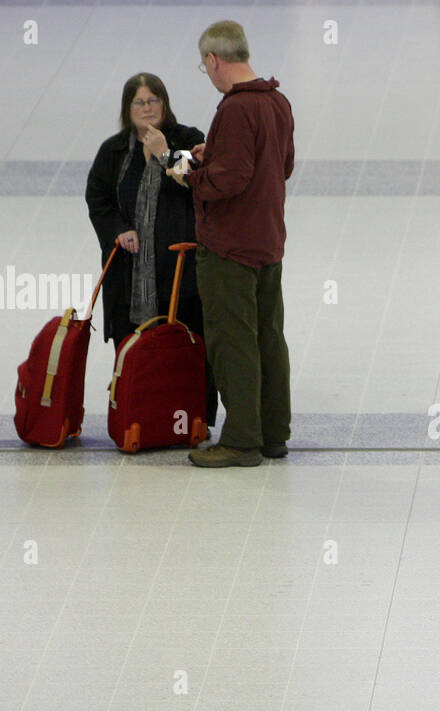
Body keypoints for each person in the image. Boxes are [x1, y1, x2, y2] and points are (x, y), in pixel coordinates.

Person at [168, 20, 294, 468]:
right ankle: (274, 433)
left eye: (206, 68)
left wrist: (189, 174)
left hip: (230, 249)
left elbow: (231, 180)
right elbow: (283, 165)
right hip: (268, 242)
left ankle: (241, 441)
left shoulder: (235, 110)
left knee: (233, 341)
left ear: (213, 59)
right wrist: (215, 155)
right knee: (268, 339)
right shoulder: (277, 102)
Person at [86, 72, 218, 427]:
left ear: (165, 103)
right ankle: (140, 419)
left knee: (188, 345)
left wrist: (165, 153)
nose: (147, 108)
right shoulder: (114, 151)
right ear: (128, 109)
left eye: (153, 100)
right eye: (139, 102)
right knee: (135, 347)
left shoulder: (190, 140)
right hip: (131, 278)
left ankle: (195, 419)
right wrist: (118, 229)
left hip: (180, 271)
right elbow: (97, 198)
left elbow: (199, 185)